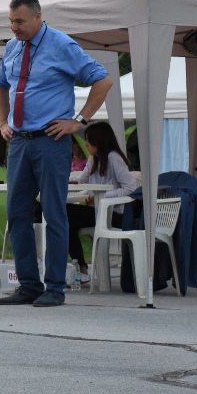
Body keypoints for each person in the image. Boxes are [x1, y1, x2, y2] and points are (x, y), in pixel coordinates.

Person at [0, 0, 112, 307]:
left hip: (50, 140)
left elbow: (102, 80)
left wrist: (79, 121)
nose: (14, 27)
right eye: (11, 21)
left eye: (20, 21)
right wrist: (3, 121)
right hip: (20, 140)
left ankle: (56, 287)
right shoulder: (12, 47)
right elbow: (0, 83)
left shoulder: (61, 45)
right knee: (17, 213)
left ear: (37, 17)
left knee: (54, 212)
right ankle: (28, 285)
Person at [66, 122, 137, 285]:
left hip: (115, 214)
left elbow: (130, 188)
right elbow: (81, 180)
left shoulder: (114, 158)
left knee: (65, 212)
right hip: (98, 211)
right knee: (65, 221)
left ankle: (81, 269)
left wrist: (102, 196)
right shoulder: (93, 159)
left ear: (99, 141)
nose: (85, 145)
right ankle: (81, 269)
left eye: (88, 141)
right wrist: (63, 180)